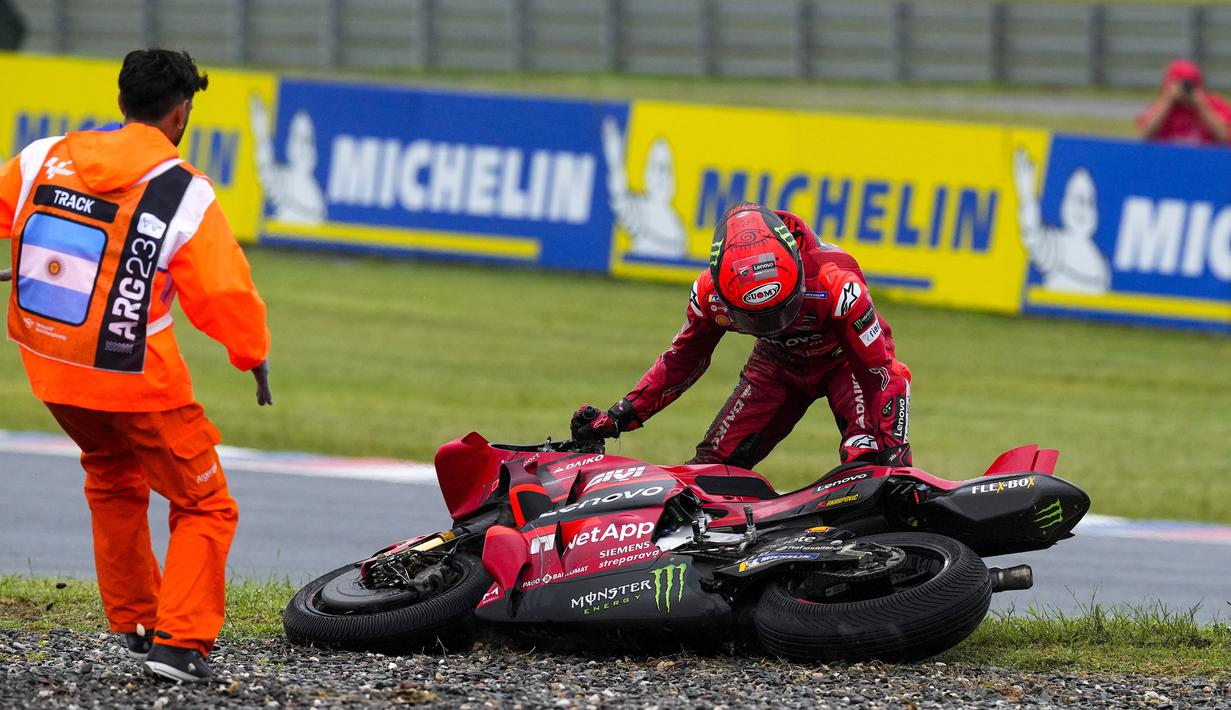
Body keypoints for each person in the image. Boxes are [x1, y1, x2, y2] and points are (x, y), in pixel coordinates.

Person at [0, 48, 272, 683]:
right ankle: (179, 645)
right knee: (206, 505)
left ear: (121, 102)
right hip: (136, 380)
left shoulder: (43, 156)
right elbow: (224, 294)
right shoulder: (185, 190)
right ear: (180, 114)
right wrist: (252, 355)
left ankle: (137, 618)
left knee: (113, 475)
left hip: (50, 368)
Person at [571, 202, 912, 471]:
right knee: (709, 472)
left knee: (866, 461)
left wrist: (896, 459)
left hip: (845, 363)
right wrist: (622, 414)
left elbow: (882, 374)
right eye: (757, 318)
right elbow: (682, 361)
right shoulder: (708, 295)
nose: (775, 325)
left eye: (782, 310)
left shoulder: (838, 283)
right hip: (776, 365)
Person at [1137, 59, 1231, 146]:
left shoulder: (1212, 103)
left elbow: (1224, 137)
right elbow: (1146, 136)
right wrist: (1168, 100)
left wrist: (1200, 105)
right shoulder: (1161, 105)